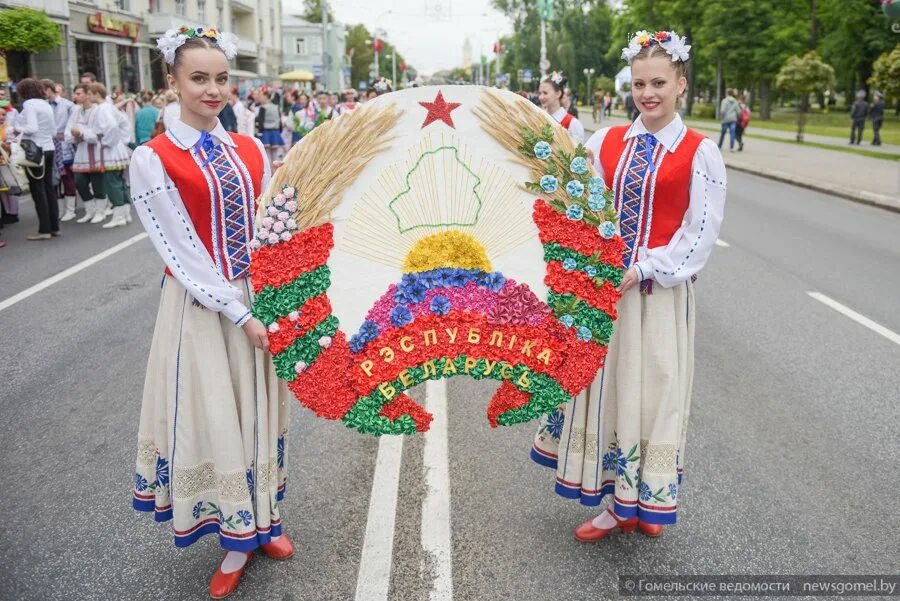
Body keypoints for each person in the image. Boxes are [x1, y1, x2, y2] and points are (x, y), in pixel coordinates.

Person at [531, 30, 726, 542]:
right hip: (604, 296)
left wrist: (640, 268)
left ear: (681, 83)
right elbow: (580, 209)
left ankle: (648, 497)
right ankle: (614, 506)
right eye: (640, 83)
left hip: (658, 297)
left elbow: (699, 234)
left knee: (656, 393)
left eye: (659, 82)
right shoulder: (606, 142)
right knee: (609, 394)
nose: (648, 93)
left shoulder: (700, 153)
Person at [129, 27, 293, 599]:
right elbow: (180, 250)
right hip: (203, 309)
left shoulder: (249, 149)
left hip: (258, 298)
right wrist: (238, 311)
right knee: (217, 415)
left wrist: (286, 287)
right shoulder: (153, 160)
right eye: (199, 78)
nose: (213, 89)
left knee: (259, 412)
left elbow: (271, 226)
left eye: (222, 78)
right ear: (171, 82)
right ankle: (234, 538)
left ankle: (266, 518)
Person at [12, 77, 59, 240]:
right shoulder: (45, 104)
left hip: (35, 150)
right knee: (48, 189)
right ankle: (54, 227)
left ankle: (44, 229)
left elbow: (32, 128)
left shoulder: (29, 105)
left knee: (38, 190)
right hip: (49, 148)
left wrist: (17, 128)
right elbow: (53, 131)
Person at [90, 83, 132, 228]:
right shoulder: (108, 106)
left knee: (112, 183)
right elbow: (123, 123)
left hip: (110, 150)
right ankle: (125, 213)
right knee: (119, 182)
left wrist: (106, 142)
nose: (89, 96)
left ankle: (119, 216)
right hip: (116, 147)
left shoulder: (103, 108)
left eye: (90, 93)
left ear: (96, 94)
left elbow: (113, 126)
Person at [66, 83, 109, 224]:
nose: (76, 97)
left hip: (96, 151)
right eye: (75, 94)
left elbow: (99, 133)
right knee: (79, 182)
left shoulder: (98, 111)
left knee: (98, 182)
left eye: (79, 93)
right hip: (81, 152)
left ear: (87, 94)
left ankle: (101, 211)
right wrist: (76, 135)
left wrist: (82, 132)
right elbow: (68, 133)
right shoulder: (76, 111)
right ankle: (90, 210)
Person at [43, 79, 78, 221]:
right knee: (54, 179)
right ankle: (59, 209)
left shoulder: (68, 105)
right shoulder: (44, 105)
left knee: (67, 176)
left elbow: (73, 124)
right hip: (50, 145)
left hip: (65, 145)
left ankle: (71, 209)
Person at [538, 71, 584, 144]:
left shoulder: (573, 124)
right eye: (539, 93)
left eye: (545, 93)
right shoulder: (538, 118)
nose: (541, 97)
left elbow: (578, 153)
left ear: (558, 93)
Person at [254, 90, 282, 164]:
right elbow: (279, 120)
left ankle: (270, 173)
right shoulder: (276, 107)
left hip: (266, 132)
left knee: (267, 155)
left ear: (266, 97)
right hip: (275, 132)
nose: (259, 98)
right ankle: (276, 172)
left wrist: (258, 132)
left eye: (261, 96)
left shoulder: (263, 107)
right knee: (275, 155)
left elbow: (260, 122)